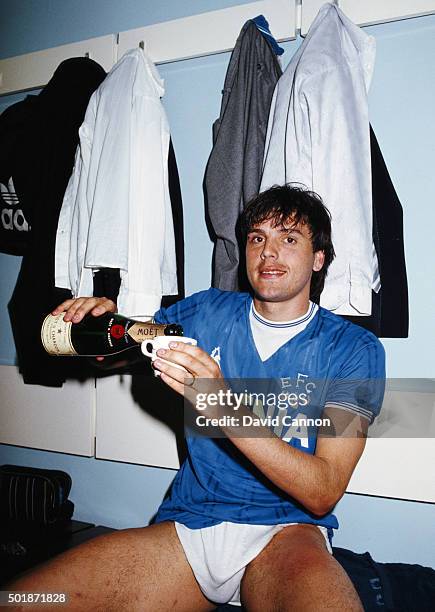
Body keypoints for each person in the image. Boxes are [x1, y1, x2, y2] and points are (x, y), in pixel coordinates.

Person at [9, 185, 385, 611]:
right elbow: (121, 356)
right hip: (193, 522)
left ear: (319, 258)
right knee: (25, 600)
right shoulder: (204, 312)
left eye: (289, 239)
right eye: (257, 238)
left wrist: (224, 408)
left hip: (286, 530)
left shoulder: (354, 349)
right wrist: (100, 326)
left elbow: (323, 490)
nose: (269, 252)